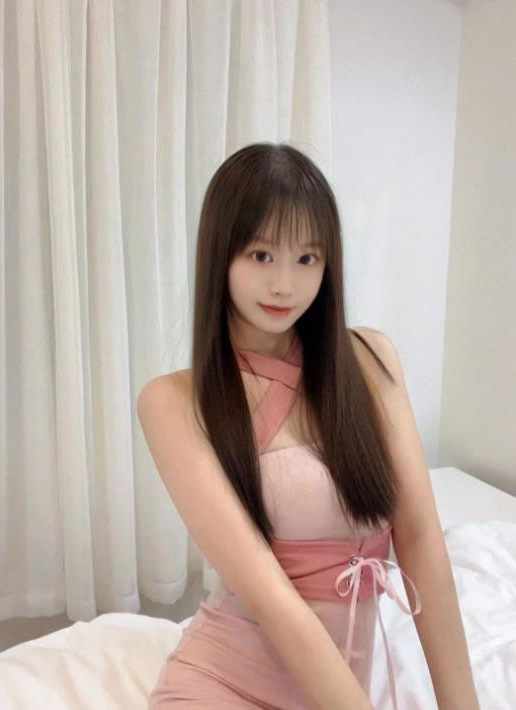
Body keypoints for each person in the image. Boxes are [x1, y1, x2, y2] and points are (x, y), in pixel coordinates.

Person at [137, 142, 479, 709]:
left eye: (307, 259)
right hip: (225, 683)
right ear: (221, 254)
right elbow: (269, 599)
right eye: (261, 254)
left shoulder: (369, 361)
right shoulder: (174, 401)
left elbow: (420, 540)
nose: (284, 285)